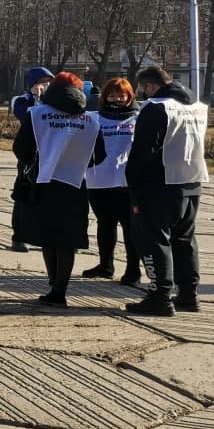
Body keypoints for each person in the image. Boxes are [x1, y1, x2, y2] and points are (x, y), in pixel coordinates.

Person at [12, 72, 104, 307]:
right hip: (75, 183)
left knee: (47, 236)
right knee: (67, 239)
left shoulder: (37, 114)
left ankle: (53, 285)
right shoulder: (91, 119)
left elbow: (20, 148)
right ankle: (60, 288)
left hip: (42, 181)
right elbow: (99, 155)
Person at [125, 65, 209, 317]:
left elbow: (142, 150)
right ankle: (188, 294)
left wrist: (133, 185)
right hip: (192, 181)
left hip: (159, 184)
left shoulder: (156, 107)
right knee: (184, 241)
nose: (143, 94)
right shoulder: (197, 106)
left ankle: (160, 296)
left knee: (154, 240)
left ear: (150, 85)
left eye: (143, 89)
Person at [81, 78, 140, 281]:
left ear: (129, 96)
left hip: (126, 183)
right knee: (105, 224)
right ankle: (106, 265)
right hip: (99, 180)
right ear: (104, 97)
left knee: (130, 227)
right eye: (112, 95)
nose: (116, 99)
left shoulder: (138, 118)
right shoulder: (94, 118)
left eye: (121, 95)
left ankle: (133, 270)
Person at [9, 66, 53, 252]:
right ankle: (19, 236)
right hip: (29, 154)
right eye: (42, 82)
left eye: (49, 81)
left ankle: (47, 235)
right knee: (24, 193)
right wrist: (36, 98)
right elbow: (25, 116)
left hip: (49, 152)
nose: (46, 85)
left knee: (49, 195)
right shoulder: (22, 100)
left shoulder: (54, 100)